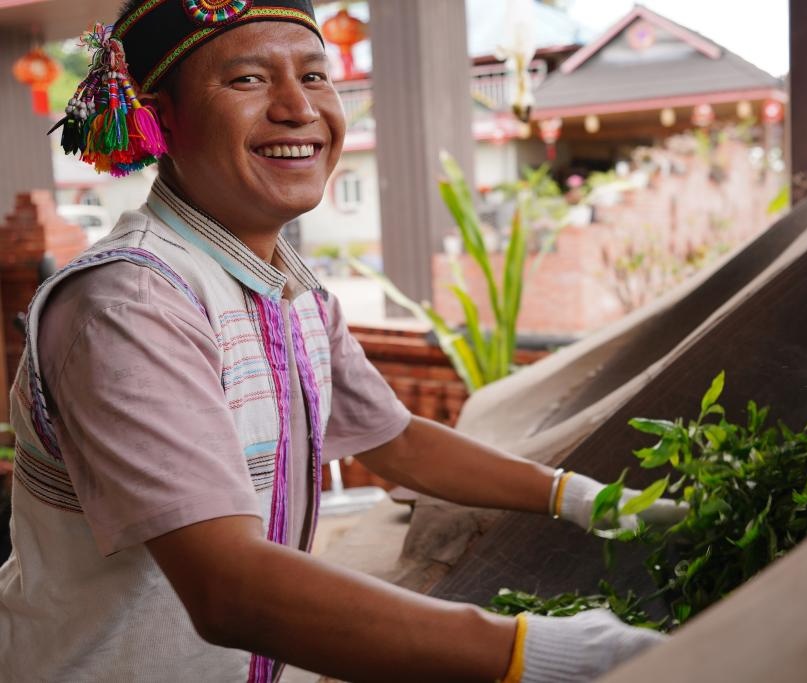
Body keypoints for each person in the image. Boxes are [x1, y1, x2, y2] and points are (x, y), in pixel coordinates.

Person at [0, 2, 686, 681]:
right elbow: (227, 588)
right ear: (160, 116)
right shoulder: (130, 303)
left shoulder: (286, 285)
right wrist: (531, 653)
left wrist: (586, 498)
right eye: (247, 80)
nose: (299, 108)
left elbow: (397, 440)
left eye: (316, 75)